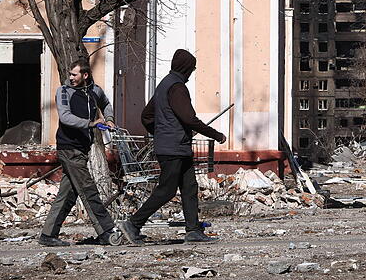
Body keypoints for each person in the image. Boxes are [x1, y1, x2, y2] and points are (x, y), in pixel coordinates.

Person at [119, 49, 227, 245]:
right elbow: (189, 118)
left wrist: (160, 131)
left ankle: (193, 229)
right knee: (167, 190)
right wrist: (216, 134)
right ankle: (133, 224)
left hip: (175, 146)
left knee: (189, 187)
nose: (191, 74)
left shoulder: (164, 85)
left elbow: (146, 116)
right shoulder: (177, 87)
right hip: (173, 148)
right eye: (192, 70)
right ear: (186, 68)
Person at [39, 59, 116, 247]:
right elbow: (65, 118)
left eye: (74, 74)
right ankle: (106, 231)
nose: (71, 78)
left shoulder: (94, 91)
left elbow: (106, 104)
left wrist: (110, 118)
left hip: (82, 148)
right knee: (88, 189)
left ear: (85, 75)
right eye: (70, 74)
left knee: (68, 193)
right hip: (68, 148)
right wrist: (92, 123)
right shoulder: (63, 92)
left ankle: (48, 235)